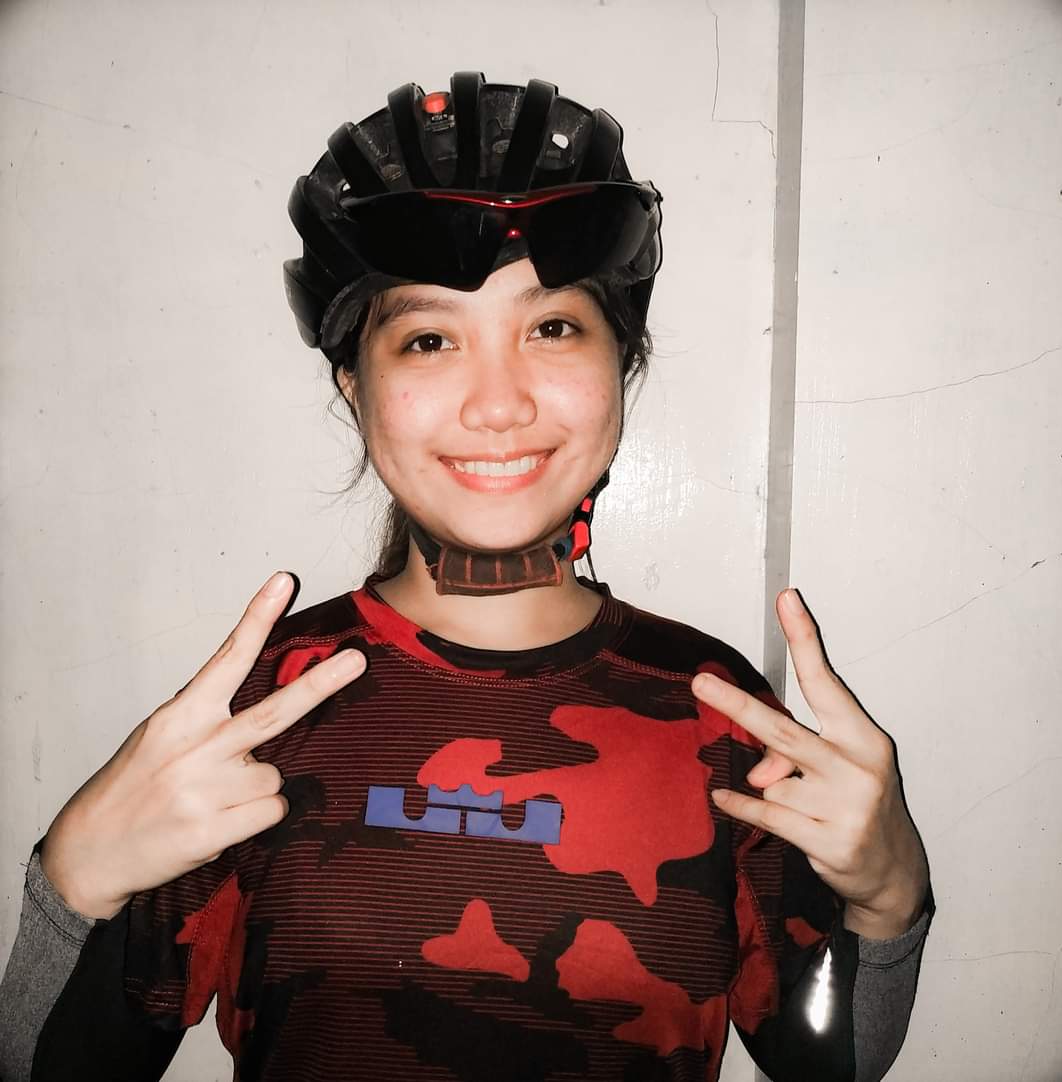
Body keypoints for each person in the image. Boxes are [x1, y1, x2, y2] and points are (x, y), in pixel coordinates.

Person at [0, 72, 932, 1082]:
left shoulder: (718, 714)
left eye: (553, 327)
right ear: (356, 387)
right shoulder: (261, 710)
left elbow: (825, 1056)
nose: (498, 404)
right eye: (431, 339)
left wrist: (888, 900)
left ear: (622, 365)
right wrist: (74, 883)